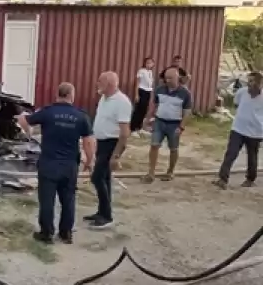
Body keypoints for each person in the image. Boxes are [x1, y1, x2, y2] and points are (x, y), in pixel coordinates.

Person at [18, 82, 95, 244]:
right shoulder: (80, 116)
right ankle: (66, 233)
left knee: (47, 200)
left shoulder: (47, 112)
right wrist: (89, 161)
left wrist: (29, 133)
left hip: (48, 164)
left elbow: (23, 119)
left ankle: (46, 233)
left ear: (58, 94)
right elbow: (88, 141)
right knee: (68, 199)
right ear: (71, 95)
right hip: (69, 166)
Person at [85, 72, 132, 230]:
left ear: (110, 83)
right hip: (102, 142)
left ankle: (107, 216)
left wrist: (116, 155)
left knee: (97, 178)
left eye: (100, 81)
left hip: (112, 143)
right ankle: (101, 212)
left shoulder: (122, 102)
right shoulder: (104, 98)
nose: (97, 83)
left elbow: (125, 132)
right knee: (104, 179)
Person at [142, 67, 193, 183]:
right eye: (166, 78)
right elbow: (153, 105)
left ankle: (170, 172)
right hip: (159, 121)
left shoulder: (185, 93)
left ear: (178, 78)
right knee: (154, 145)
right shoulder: (159, 89)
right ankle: (151, 173)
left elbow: (187, 112)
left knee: (173, 148)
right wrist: (147, 120)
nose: (168, 80)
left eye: (170, 78)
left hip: (174, 124)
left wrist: (181, 127)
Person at [213, 71, 262, 189]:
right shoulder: (242, 92)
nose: (249, 84)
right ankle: (223, 179)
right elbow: (236, 104)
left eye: (252, 81)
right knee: (231, 153)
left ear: (260, 83)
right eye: (248, 81)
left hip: (255, 132)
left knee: (252, 156)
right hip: (238, 129)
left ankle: (250, 179)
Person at [131, 57, 155, 135]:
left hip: (148, 92)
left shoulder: (150, 72)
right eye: (147, 62)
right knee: (138, 110)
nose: (149, 64)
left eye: (151, 63)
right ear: (144, 63)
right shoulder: (141, 71)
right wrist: (136, 94)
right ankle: (133, 128)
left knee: (144, 110)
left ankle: (139, 127)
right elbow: (137, 83)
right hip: (141, 91)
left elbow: (150, 85)